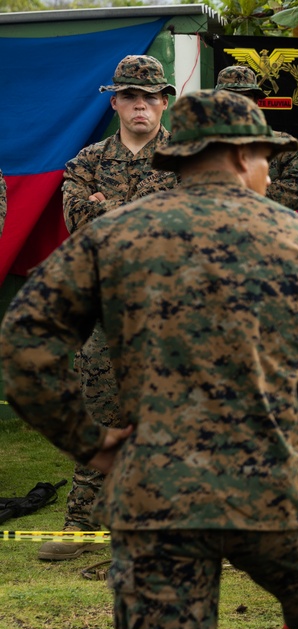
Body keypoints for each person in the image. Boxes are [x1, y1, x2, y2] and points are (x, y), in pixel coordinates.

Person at [0, 88, 298, 629]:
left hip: (157, 496)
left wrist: (91, 443)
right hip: (276, 489)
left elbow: (23, 342)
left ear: (180, 157)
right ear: (244, 155)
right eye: (266, 161)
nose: (271, 177)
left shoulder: (115, 235)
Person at [41, 54, 178, 561]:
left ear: (163, 103)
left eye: (150, 97)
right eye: (131, 97)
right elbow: (79, 222)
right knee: (99, 416)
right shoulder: (85, 162)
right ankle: (81, 524)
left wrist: (107, 210)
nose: (141, 106)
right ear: (115, 102)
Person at [215, 65, 298, 210]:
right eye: (228, 96)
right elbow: (181, 187)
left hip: (266, 228)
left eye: (244, 96)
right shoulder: (198, 145)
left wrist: (237, 197)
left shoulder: (284, 145)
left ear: (255, 101)